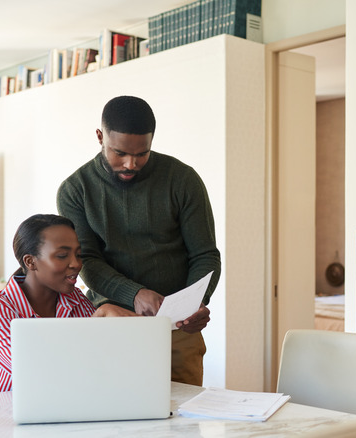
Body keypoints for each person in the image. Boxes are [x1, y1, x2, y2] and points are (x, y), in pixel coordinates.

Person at [56, 95, 221, 386]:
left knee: (184, 422)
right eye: (118, 153)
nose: (130, 164)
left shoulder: (182, 180)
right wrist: (134, 293)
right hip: (112, 324)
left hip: (178, 328)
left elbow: (205, 255)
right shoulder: (75, 190)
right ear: (99, 137)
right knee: (115, 417)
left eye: (141, 154)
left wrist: (197, 302)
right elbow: (88, 262)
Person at [0, 214, 132, 394]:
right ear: (30, 261)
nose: (76, 264)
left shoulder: (77, 300)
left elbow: (104, 361)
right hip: (1, 413)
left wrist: (120, 327)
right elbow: (33, 370)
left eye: (78, 255)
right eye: (62, 255)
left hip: (65, 405)